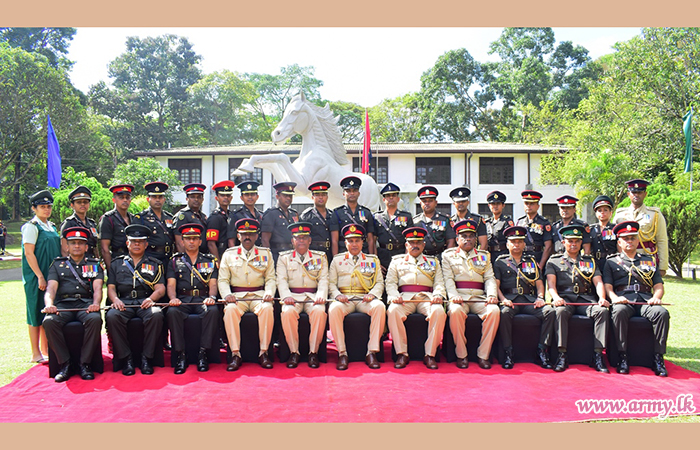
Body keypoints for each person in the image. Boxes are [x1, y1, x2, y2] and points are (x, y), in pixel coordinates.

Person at [604, 221, 669, 376]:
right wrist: (614, 298)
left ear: (638, 241)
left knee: (662, 313)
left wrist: (656, 298)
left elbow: (658, 286)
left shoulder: (648, 260)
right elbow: (608, 287)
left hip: (646, 300)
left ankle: (658, 358)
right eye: (625, 239)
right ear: (619, 242)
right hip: (624, 299)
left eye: (632, 238)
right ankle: (622, 356)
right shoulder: (611, 261)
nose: (629, 241)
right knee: (618, 311)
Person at [546, 224, 610, 373]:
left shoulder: (590, 261)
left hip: (586, 299)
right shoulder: (554, 261)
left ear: (581, 243)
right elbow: (551, 285)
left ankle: (598, 355)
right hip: (565, 298)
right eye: (570, 241)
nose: (573, 244)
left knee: (602, 311)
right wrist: (556, 298)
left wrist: (602, 298)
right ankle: (562, 354)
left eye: (577, 241)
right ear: (564, 242)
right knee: (560, 311)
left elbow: (598, 282)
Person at [42, 227, 103, 382]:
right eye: (73, 243)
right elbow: (51, 289)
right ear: (67, 246)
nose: (77, 246)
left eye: (80, 243)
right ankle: (65, 364)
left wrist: (96, 303)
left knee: (95, 319)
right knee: (49, 321)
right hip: (63, 305)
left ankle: (85, 364)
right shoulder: (57, 265)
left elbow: (97, 288)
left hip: (85, 304)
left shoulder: (94, 264)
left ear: (86, 247)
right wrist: (50, 304)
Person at [105, 224, 165, 376]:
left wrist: (151, 299)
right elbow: (111, 287)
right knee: (112, 316)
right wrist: (115, 300)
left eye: (140, 241)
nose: (137, 244)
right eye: (133, 241)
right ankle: (126, 359)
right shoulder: (116, 263)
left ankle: (147, 357)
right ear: (127, 243)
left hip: (145, 301)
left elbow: (160, 288)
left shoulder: (155, 264)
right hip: (124, 302)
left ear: (146, 244)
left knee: (156, 314)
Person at [218, 218, 276, 371]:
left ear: (256, 236)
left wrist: (269, 293)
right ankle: (235, 354)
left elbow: (271, 278)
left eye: (250, 234)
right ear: (238, 236)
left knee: (267, 308)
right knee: (230, 310)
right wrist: (227, 295)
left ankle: (264, 352)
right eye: (244, 234)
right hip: (237, 297)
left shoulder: (265, 253)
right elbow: (223, 280)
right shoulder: (229, 254)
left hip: (259, 295)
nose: (247, 237)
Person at [494, 226, 554, 369]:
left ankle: (542, 350)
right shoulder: (500, 262)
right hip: (510, 300)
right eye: (513, 242)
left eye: (519, 242)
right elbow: (496, 286)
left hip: (529, 300)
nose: (516, 245)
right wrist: (503, 300)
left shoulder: (531, 261)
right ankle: (508, 352)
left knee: (550, 312)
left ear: (524, 244)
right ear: (507, 244)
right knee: (504, 313)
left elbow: (539, 284)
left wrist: (540, 298)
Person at [386, 227, 446, 369]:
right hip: (404, 299)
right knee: (393, 310)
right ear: (406, 245)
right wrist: (394, 296)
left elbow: (439, 282)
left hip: (426, 298)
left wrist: (438, 295)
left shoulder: (433, 262)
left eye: (418, 243)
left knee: (439, 311)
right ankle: (402, 353)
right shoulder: (396, 261)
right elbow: (390, 282)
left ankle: (430, 354)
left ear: (423, 245)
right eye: (412, 243)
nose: (415, 245)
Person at [443, 219, 499, 369]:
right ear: (457, 239)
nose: (468, 239)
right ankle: (461, 354)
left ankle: (483, 355)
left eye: (471, 236)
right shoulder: (448, 256)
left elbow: (489, 278)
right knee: (455, 311)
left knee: (494, 311)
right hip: (459, 297)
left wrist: (491, 295)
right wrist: (453, 296)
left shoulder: (484, 256)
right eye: (464, 236)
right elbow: (448, 279)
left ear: (475, 239)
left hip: (479, 297)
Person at [328, 224, 385, 370]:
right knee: (334, 309)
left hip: (364, 298)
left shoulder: (372, 260)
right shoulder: (337, 260)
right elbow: (331, 283)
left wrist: (372, 294)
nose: (354, 244)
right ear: (345, 243)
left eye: (357, 241)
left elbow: (379, 282)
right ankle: (342, 353)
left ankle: (371, 352)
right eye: (351, 241)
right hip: (345, 299)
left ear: (362, 242)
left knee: (379, 307)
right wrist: (338, 295)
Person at [166, 223, 220, 374]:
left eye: (195, 239)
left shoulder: (209, 260)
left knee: (212, 310)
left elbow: (213, 283)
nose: (191, 242)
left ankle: (203, 353)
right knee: (172, 312)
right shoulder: (174, 261)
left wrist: (212, 297)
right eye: (188, 239)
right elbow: (171, 284)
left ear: (200, 241)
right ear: (182, 241)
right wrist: (173, 298)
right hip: (183, 299)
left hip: (202, 298)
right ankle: (180, 354)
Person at [277, 222, 329, 368]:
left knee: (319, 312)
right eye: (298, 238)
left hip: (313, 297)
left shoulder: (320, 257)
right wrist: (286, 296)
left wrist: (321, 295)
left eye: (304, 238)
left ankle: (313, 352)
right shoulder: (284, 258)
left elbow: (324, 279)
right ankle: (294, 352)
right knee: (287, 312)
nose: (301, 240)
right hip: (293, 297)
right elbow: (281, 280)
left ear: (309, 240)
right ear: (292, 241)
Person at [22, 190, 61, 364]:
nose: (46, 209)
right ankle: (35, 352)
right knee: (34, 312)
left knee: (47, 310)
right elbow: (29, 253)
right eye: (42, 207)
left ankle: (45, 350)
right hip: (37, 276)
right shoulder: (32, 226)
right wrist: (39, 276)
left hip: (51, 275)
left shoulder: (51, 226)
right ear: (34, 208)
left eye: (48, 206)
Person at [613, 179, 669, 276]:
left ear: (645, 194)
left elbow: (662, 240)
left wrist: (663, 266)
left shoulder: (654, 214)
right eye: (633, 192)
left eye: (639, 192)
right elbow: (614, 240)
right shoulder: (619, 215)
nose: (636, 195)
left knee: (647, 284)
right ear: (628, 194)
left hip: (647, 258)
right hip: (625, 259)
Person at [374, 182, 413, 274]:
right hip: (382, 256)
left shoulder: (406, 216)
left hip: (400, 254)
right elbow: (373, 240)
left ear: (398, 199)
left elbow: (410, 240)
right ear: (384, 199)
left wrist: (407, 258)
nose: (391, 198)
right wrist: (376, 261)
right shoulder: (377, 217)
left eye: (393, 195)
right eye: (388, 196)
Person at [333, 176, 376, 255]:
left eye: (355, 190)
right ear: (343, 194)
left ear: (358, 193)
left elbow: (370, 239)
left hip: (363, 253)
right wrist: (335, 258)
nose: (352, 193)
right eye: (348, 191)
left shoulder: (366, 212)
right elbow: (334, 240)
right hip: (343, 253)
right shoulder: (337, 213)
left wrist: (371, 257)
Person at [135, 181, 175, 265]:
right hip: (149, 258)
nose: (157, 200)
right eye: (154, 197)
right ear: (148, 199)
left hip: (168, 259)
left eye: (160, 197)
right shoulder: (141, 218)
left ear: (164, 199)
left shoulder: (169, 217)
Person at [261, 181, 299, 264]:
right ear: (277, 196)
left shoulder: (293, 213)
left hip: (292, 255)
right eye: (285, 196)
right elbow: (265, 240)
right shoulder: (271, 214)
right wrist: (269, 259)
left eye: (290, 196)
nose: (288, 198)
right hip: (277, 255)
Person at [300, 181, 339, 263]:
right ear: (312, 197)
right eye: (317, 195)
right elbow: (302, 239)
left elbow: (335, 240)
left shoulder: (332, 215)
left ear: (327, 197)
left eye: (323, 194)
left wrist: (335, 258)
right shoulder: (306, 216)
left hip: (329, 253)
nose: (321, 197)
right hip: (313, 254)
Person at [99, 184, 135, 272]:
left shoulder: (133, 218)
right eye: (121, 197)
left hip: (133, 260)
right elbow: (105, 249)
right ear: (114, 200)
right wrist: (111, 270)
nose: (125, 200)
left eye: (127, 197)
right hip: (117, 260)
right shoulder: (108, 218)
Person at [413, 186, 455, 257]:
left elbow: (450, 241)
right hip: (421, 257)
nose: (427, 203)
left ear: (436, 203)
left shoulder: (444, 219)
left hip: (440, 257)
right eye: (424, 201)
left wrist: (447, 258)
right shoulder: (415, 221)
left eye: (430, 201)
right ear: (420, 203)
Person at [516, 190, 553, 270]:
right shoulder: (520, 222)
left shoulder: (544, 222)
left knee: (536, 277)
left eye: (532, 204)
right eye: (526, 203)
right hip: (522, 257)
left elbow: (548, 246)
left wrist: (541, 264)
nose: (529, 206)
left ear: (538, 206)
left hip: (537, 257)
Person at [60, 186, 99, 258]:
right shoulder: (69, 223)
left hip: (91, 261)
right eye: (79, 202)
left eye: (85, 202)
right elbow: (64, 249)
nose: (82, 204)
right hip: (76, 261)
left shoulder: (92, 223)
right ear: (72, 205)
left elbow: (95, 247)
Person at [172, 183, 208, 254]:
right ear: (187, 199)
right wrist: (185, 259)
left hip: (202, 255)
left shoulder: (203, 216)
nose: (196, 199)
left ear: (202, 199)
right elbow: (179, 242)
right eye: (192, 197)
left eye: (199, 197)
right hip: (189, 256)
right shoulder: (182, 215)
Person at [206, 180, 236, 260]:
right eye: (222, 195)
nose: (226, 198)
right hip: (220, 255)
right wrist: (218, 262)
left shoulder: (231, 215)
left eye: (228, 195)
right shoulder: (214, 217)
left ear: (231, 198)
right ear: (216, 198)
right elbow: (211, 244)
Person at [230, 180, 263, 247]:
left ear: (257, 197)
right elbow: (231, 241)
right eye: (246, 195)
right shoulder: (235, 215)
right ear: (241, 198)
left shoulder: (261, 215)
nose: (250, 197)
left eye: (252, 194)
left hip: (258, 250)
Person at [483, 190, 514, 262]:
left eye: (498, 204)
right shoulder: (486, 222)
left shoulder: (507, 222)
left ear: (503, 205)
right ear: (489, 206)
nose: (495, 206)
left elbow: (511, 240)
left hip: (503, 255)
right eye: (493, 204)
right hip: (489, 256)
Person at [589, 195, 618, 271]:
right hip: (595, 264)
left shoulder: (615, 229)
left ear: (610, 213)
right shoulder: (591, 229)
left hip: (612, 263)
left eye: (605, 210)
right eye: (599, 210)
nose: (602, 212)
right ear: (596, 214)